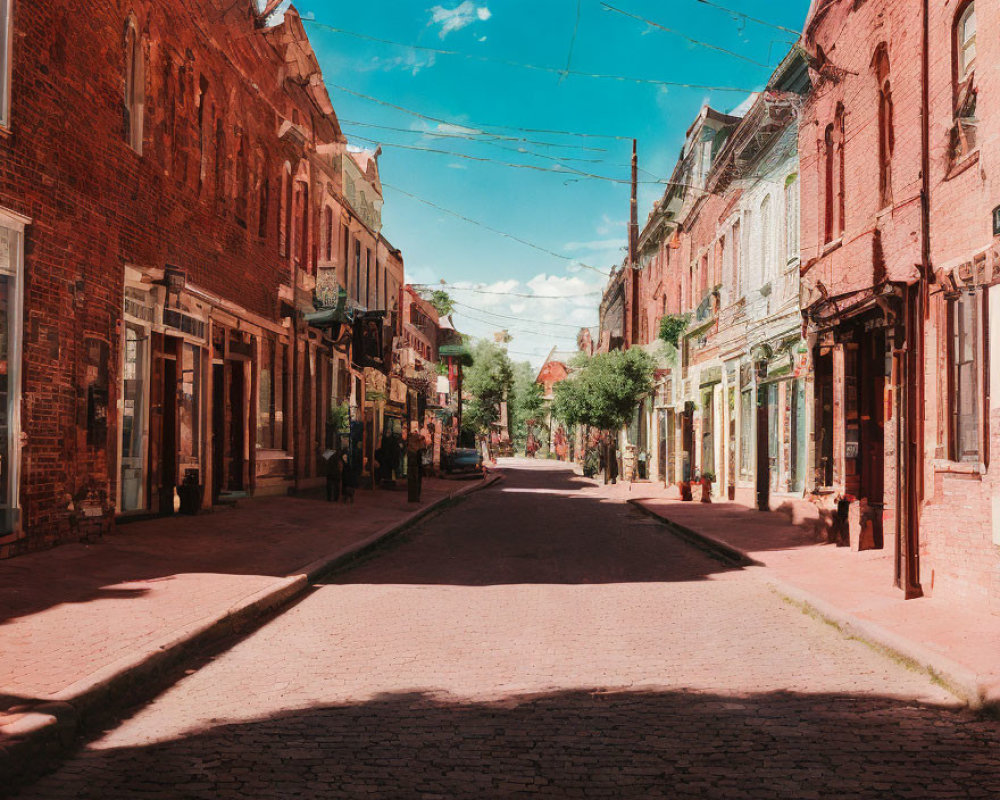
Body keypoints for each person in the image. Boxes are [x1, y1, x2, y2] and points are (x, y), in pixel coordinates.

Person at [406, 424, 428, 503]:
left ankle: (414, 497)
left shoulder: (414, 448)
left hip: (415, 464)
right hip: (415, 464)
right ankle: (414, 497)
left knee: (415, 480)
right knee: (415, 479)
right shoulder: (415, 448)